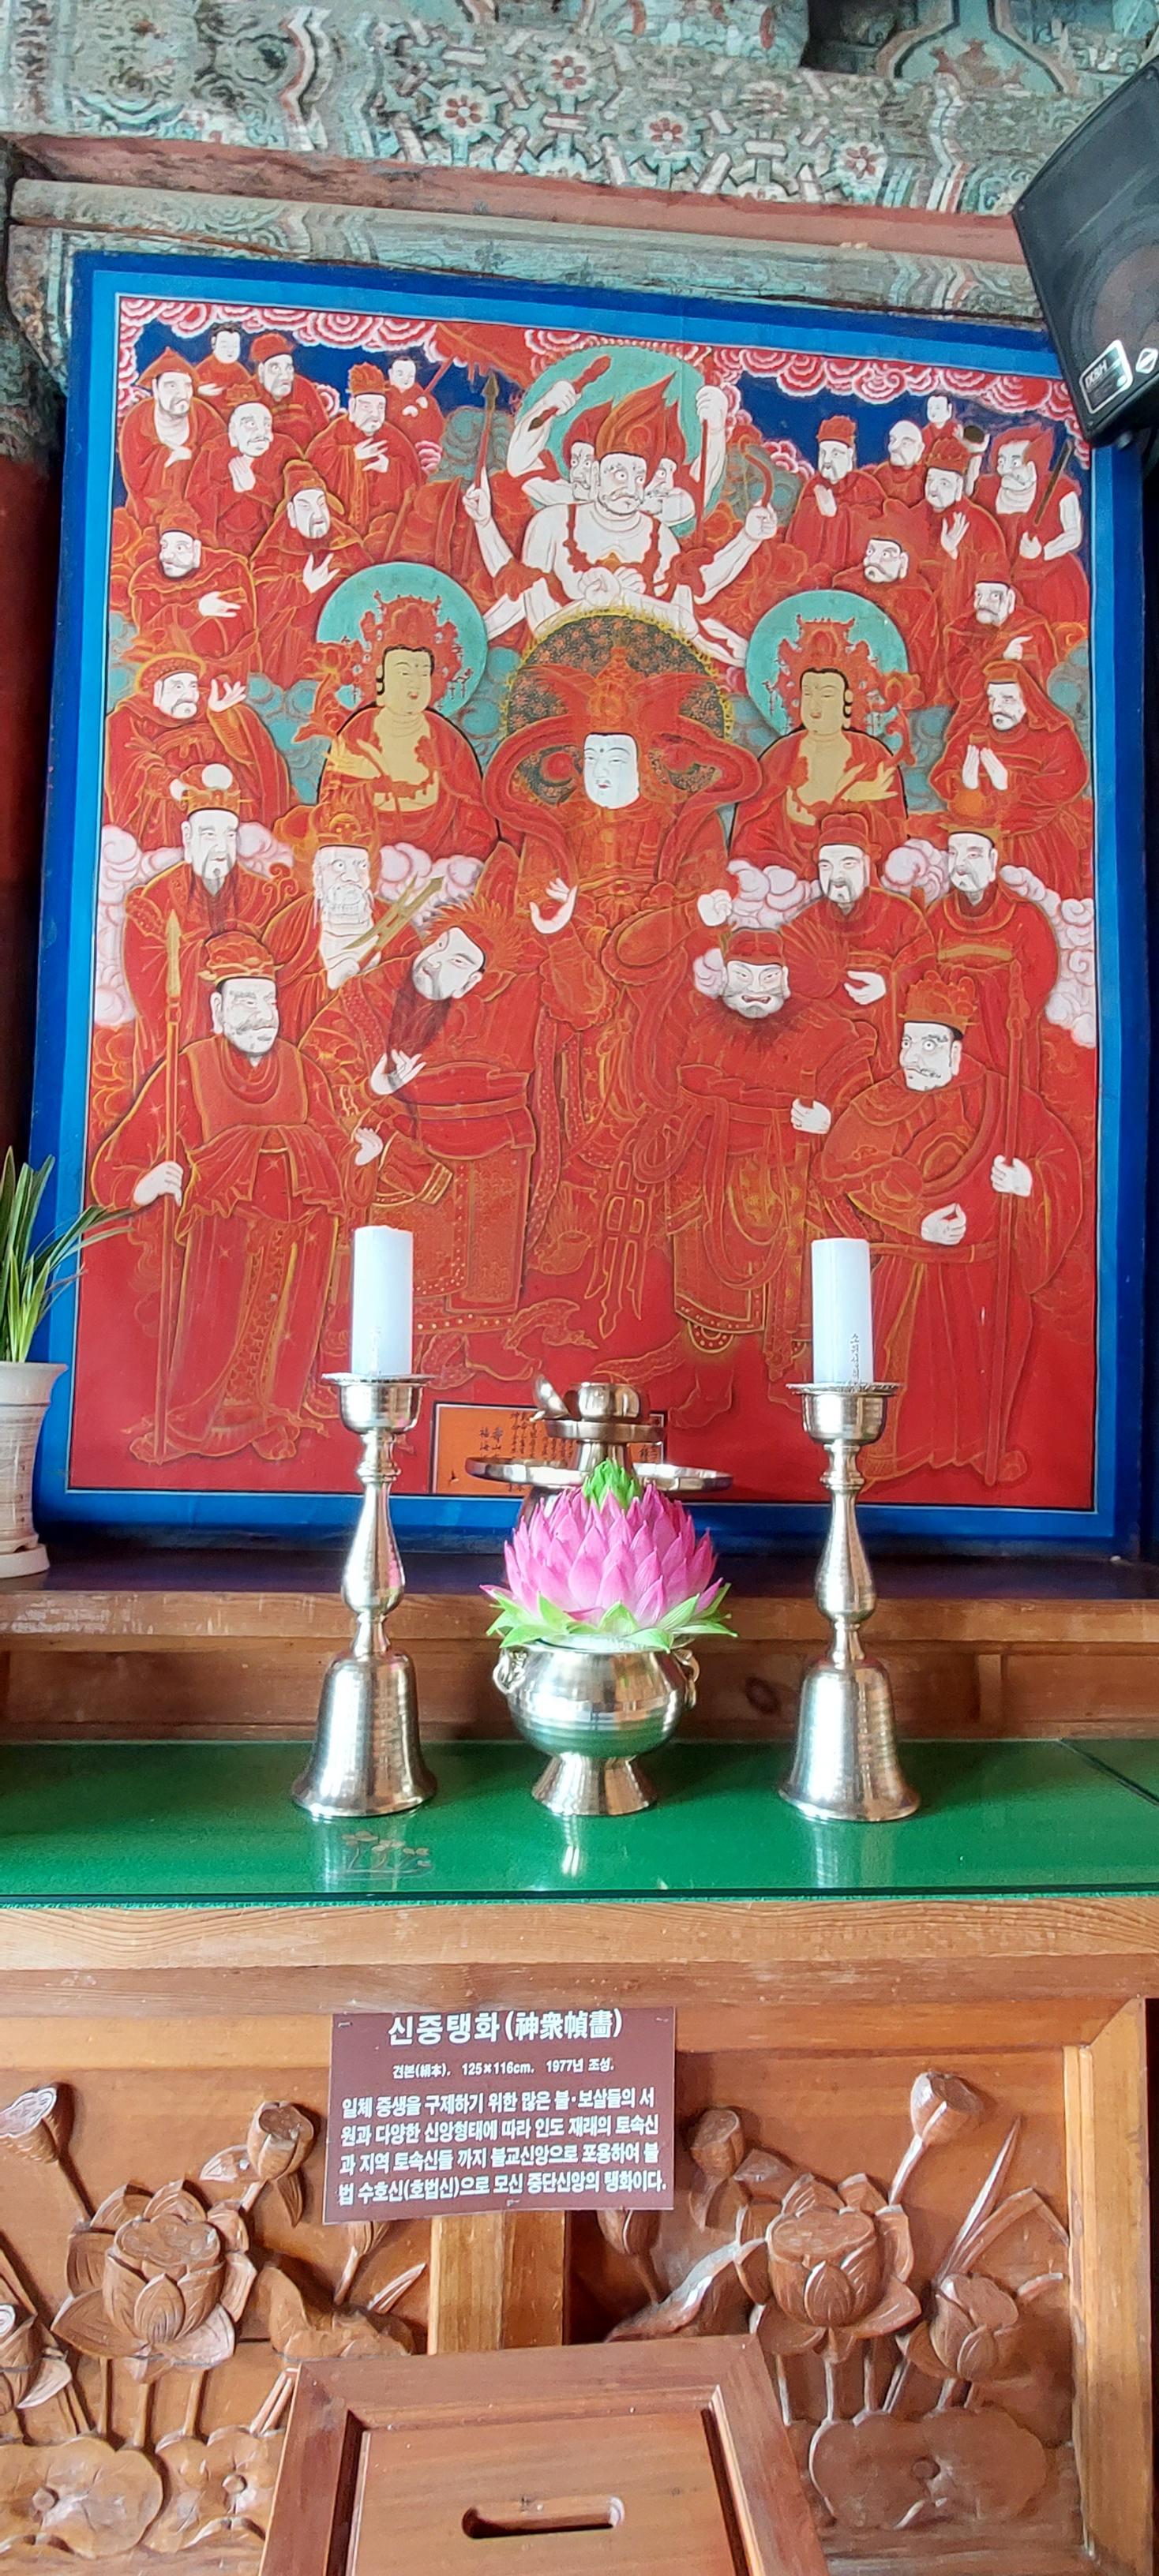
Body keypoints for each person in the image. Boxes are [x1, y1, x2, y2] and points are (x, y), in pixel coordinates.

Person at [816, 968, 1082, 1485]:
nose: (914, 1056)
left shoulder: (1002, 1101)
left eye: (930, 1044)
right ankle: (890, 1457)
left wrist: (1029, 1181)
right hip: (907, 1274)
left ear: (958, 1050)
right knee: (904, 1367)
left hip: (983, 1275)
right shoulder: (877, 1104)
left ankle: (980, 1452)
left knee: (977, 1370)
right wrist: (917, 1220)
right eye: (908, 1042)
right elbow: (849, 1177)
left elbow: (1059, 1159)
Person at [92, 931, 350, 1464]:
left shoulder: (303, 1071)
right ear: (217, 1010)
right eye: (245, 1001)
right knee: (214, 1334)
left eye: (268, 1001)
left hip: (298, 1237)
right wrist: (146, 1182)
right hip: (224, 1232)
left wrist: (360, 1155)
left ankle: (273, 1419)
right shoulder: (189, 1070)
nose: (261, 1015)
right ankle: (191, 1425)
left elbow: (335, 1144)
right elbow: (121, 1157)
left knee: (283, 1335)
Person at [670, 927, 876, 1380]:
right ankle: (720, 1330)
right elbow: (688, 1079)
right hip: (724, 1159)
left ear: (784, 978)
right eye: (743, 976)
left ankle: (794, 1339)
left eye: (767, 978)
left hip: (798, 1160)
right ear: (727, 976)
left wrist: (831, 1117)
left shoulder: (823, 1025)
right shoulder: (704, 1024)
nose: (755, 990)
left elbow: (857, 1085)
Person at [121, 799, 316, 1080]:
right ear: (188, 836)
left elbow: (284, 970)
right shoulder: (155, 901)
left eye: (229, 835)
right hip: (183, 1039)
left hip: (250, 1031)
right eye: (209, 834)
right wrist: (209, 959)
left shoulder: (264, 897)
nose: (221, 847)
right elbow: (147, 989)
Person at [308, 596, 497, 879]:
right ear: (380, 677)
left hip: (439, 871)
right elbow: (333, 806)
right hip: (366, 867)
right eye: (404, 672)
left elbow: (475, 817)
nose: (414, 683)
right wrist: (366, 780)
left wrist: (462, 869)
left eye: (423, 672)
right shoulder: (360, 731)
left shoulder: (447, 740)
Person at [730, 631, 910, 878]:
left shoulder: (873, 756)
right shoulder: (779, 758)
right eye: (808, 693)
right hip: (785, 883)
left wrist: (856, 803)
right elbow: (749, 839)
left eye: (826, 694)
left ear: (847, 699)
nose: (815, 705)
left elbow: (894, 841)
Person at [782, 809, 934, 1065]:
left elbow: (926, 972)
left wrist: (888, 984)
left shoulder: (902, 915)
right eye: (826, 866)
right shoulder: (806, 922)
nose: (837, 876)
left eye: (848, 864)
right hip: (828, 1045)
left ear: (866, 864)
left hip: (887, 1042)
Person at [931, 662, 1092, 895]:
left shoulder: (1055, 736)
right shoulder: (972, 735)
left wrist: (1009, 783)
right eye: (992, 699)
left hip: (1038, 838)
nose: (997, 707)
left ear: (1028, 700)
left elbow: (1068, 781)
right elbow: (942, 776)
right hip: (980, 840)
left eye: (1007, 699)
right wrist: (966, 786)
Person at [104, 656, 291, 852]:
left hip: (226, 804)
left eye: (192, 686)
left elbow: (250, 755)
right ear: (158, 690)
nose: (188, 694)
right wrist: (173, 787)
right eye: (178, 687)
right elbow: (135, 759)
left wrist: (220, 716)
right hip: (170, 812)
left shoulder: (211, 705)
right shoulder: (133, 716)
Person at [928, 824, 1060, 1078]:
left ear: (993, 860)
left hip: (1005, 1041)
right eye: (954, 854)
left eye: (973, 854)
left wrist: (991, 989)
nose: (960, 865)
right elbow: (922, 973)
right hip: (952, 1041)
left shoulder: (1025, 917)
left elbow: (1041, 978)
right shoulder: (937, 917)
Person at [251, 459, 366, 688]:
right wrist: (301, 588)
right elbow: (258, 602)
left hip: (345, 642)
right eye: (306, 507)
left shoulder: (348, 546)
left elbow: (368, 588)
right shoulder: (274, 552)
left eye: (321, 504)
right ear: (291, 515)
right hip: (295, 653)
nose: (317, 514)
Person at [974, 427, 1088, 635]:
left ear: (1034, 464)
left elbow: (1074, 535)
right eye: (1001, 462)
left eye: (1015, 462)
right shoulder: (987, 489)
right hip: (1001, 582)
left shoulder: (1059, 489)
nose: (1006, 470)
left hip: (1049, 581)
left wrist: (1043, 551)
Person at [123, 503, 257, 670]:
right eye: (165, 546)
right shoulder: (147, 581)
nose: (167, 556)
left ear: (196, 549)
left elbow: (249, 626)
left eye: (180, 547)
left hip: (233, 667)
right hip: (177, 672)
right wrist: (197, 610)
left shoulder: (230, 570)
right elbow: (149, 633)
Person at [306, 361, 422, 544]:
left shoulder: (394, 438)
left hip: (383, 530)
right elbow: (311, 470)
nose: (374, 415)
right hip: (341, 530)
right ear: (352, 407)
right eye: (367, 407)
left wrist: (390, 468)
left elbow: (415, 480)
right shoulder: (336, 432)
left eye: (380, 408)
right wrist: (350, 456)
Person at [833, 515, 942, 702]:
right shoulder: (847, 584)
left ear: (903, 561)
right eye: (871, 551)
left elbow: (921, 652)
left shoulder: (917, 596)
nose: (874, 560)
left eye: (886, 555)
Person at [186, 386, 299, 556]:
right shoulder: (214, 450)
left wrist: (256, 487)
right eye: (251, 425)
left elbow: (298, 498)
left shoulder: (285, 448)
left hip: (271, 547)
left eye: (266, 425)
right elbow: (195, 504)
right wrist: (231, 491)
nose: (261, 433)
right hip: (223, 546)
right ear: (233, 432)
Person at [910, 432, 1007, 621]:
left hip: (959, 614)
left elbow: (992, 578)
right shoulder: (913, 516)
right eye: (930, 480)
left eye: (943, 483)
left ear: (958, 487)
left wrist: (953, 554)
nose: (934, 489)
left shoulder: (981, 524)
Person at [118, 351, 218, 525]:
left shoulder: (204, 416)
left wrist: (191, 456)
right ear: (156, 389)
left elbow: (221, 460)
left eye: (187, 386)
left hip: (198, 519)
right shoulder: (137, 420)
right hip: (148, 517)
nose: (181, 394)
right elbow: (135, 480)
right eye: (171, 386)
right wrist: (166, 456)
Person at [943, 575, 1061, 703]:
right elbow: (965, 691)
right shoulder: (960, 631)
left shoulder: (1033, 627)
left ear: (1010, 599)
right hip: (979, 710)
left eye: (994, 596)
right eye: (979, 595)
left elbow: (1048, 682)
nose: (982, 603)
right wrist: (1001, 657)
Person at [788, 414, 880, 572]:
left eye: (835, 454)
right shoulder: (814, 486)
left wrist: (839, 514)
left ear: (850, 455)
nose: (827, 461)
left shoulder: (867, 487)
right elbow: (797, 533)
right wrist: (813, 511)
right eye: (823, 453)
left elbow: (879, 528)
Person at [249, 331, 330, 448]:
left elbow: (323, 432)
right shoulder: (249, 391)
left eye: (288, 368)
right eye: (275, 368)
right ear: (261, 371)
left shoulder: (303, 386)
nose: (284, 376)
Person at [384, 355, 445, 455]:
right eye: (400, 374)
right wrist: (401, 413)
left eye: (410, 376)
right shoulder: (382, 395)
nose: (406, 379)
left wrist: (424, 411)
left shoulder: (425, 399)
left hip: (417, 451)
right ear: (391, 373)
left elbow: (439, 429)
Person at [193, 325, 252, 412]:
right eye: (225, 346)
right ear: (214, 343)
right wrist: (198, 391)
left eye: (235, 346)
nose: (230, 351)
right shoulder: (204, 368)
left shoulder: (241, 372)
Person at [872, 419, 928, 508]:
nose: (894, 448)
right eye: (892, 440)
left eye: (905, 443)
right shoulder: (881, 473)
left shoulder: (926, 477)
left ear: (920, 448)